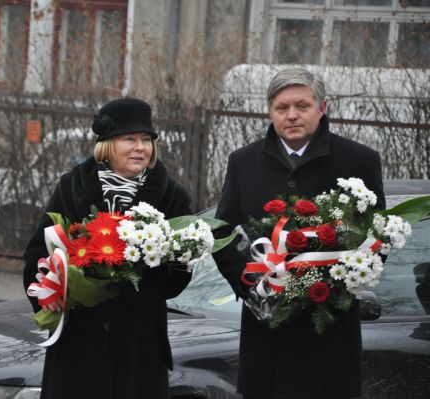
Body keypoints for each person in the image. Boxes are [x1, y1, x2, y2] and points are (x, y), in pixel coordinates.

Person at [213, 67, 385, 399]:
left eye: (302, 106)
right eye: (282, 107)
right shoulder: (242, 162)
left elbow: (376, 238)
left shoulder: (358, 161)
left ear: (323, 107)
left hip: (330, 331)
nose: (292, 115)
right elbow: (223, 233)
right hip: (266, 330)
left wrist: (332, 281)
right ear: (270, 111)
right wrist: (255, 285)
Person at [23, 97, 193, 399]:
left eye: (146, 140)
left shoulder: (172, 195)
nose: (140, 147)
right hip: (78, 345)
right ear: (106, 144)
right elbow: (40, 250)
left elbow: (177, 280)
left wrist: (147, 266)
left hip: (138, 347)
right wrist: (49, 293)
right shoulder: (72, 186)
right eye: (130, 139)